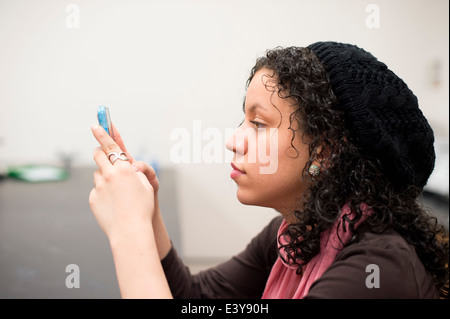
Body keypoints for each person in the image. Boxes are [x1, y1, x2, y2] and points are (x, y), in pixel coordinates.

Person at [89, 41, 448, 299]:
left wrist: (128, 229)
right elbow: (195, 297)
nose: (234, 140)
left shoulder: (379, 270)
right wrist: (148, 212)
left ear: (324, 151)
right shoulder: (296, 234)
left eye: (258, 124)